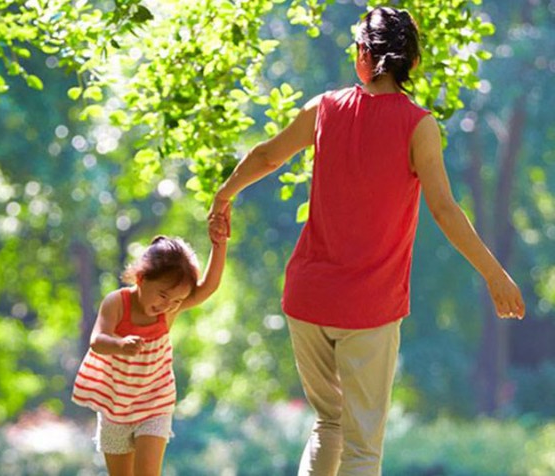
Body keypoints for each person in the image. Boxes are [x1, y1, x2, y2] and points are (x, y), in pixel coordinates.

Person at [208, 6, 525, 475]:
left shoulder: (324, 108)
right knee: (362, 448)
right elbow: (443, 209)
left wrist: (223, 195)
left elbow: (268, 155)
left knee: (327, 423)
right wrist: (495, 275)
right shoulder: (419, 126)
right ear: (413, 64)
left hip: (307, 300)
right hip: (369, 311)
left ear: (362, 55)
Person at [71, 228, 228, 476]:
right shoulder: (116, 303)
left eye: (177, 301)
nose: (167, 305)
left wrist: (219, 244)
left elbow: (208, 286)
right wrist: (120, 345)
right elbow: (97, 341)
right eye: (163, 294)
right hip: (116, 407)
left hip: (155, 401)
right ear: (142, 278)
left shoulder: (169, 311)